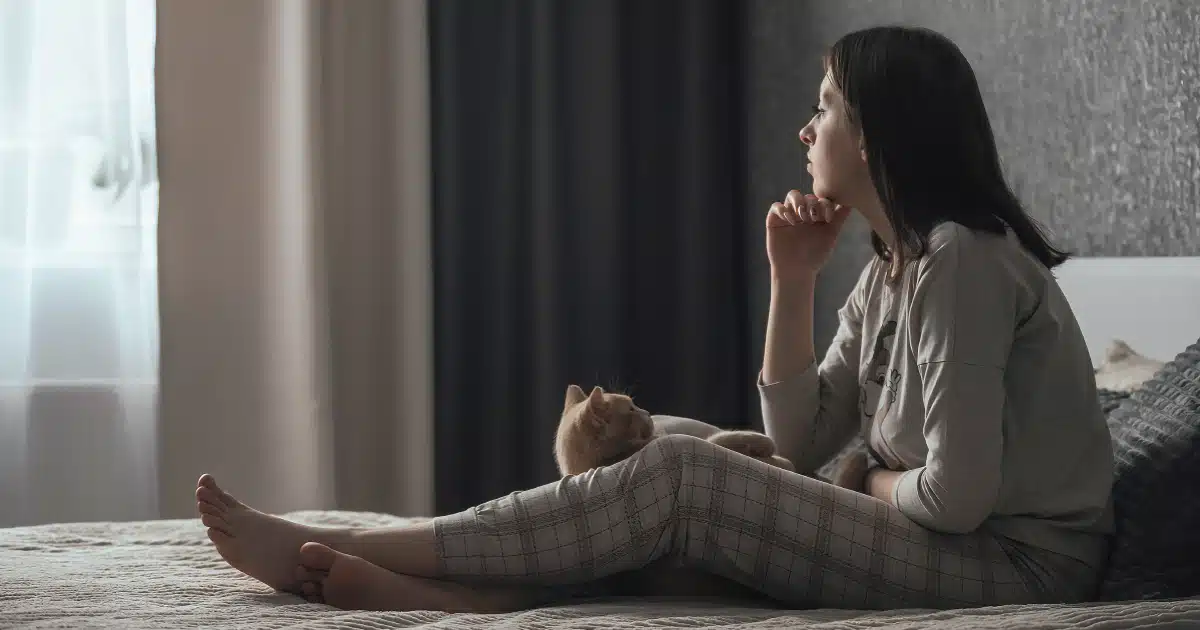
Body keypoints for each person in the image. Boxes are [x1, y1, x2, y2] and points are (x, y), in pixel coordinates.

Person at [195, 25, 1114, 612]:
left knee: (681, 478)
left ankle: (365, 546)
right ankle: (473, 596)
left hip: (1016, 570)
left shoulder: (965, 262)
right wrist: (792, 281)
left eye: (824, 106)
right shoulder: (895, 272)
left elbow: (955, 502)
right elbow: (800, 440)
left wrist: (863, 480)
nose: (806, 128)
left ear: (873, 133)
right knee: (669, 444)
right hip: (953, 541)